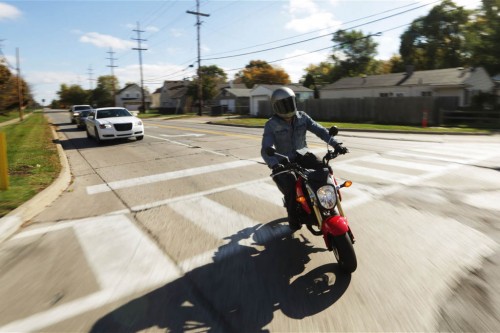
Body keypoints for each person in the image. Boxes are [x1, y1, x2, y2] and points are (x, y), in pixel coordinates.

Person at [260, 86, 347, 231]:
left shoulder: (302, 117)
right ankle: (293, 219)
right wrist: (274, 164)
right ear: (276, 106)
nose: (287, 107)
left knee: (325, 169)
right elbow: (265, 149)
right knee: (291, 185)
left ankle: (327, 201)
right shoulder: (271, 124)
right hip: (284, 160)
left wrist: (336, 145)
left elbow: (320, 131)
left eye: (289, 102)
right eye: (283, 104)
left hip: (303, 154)